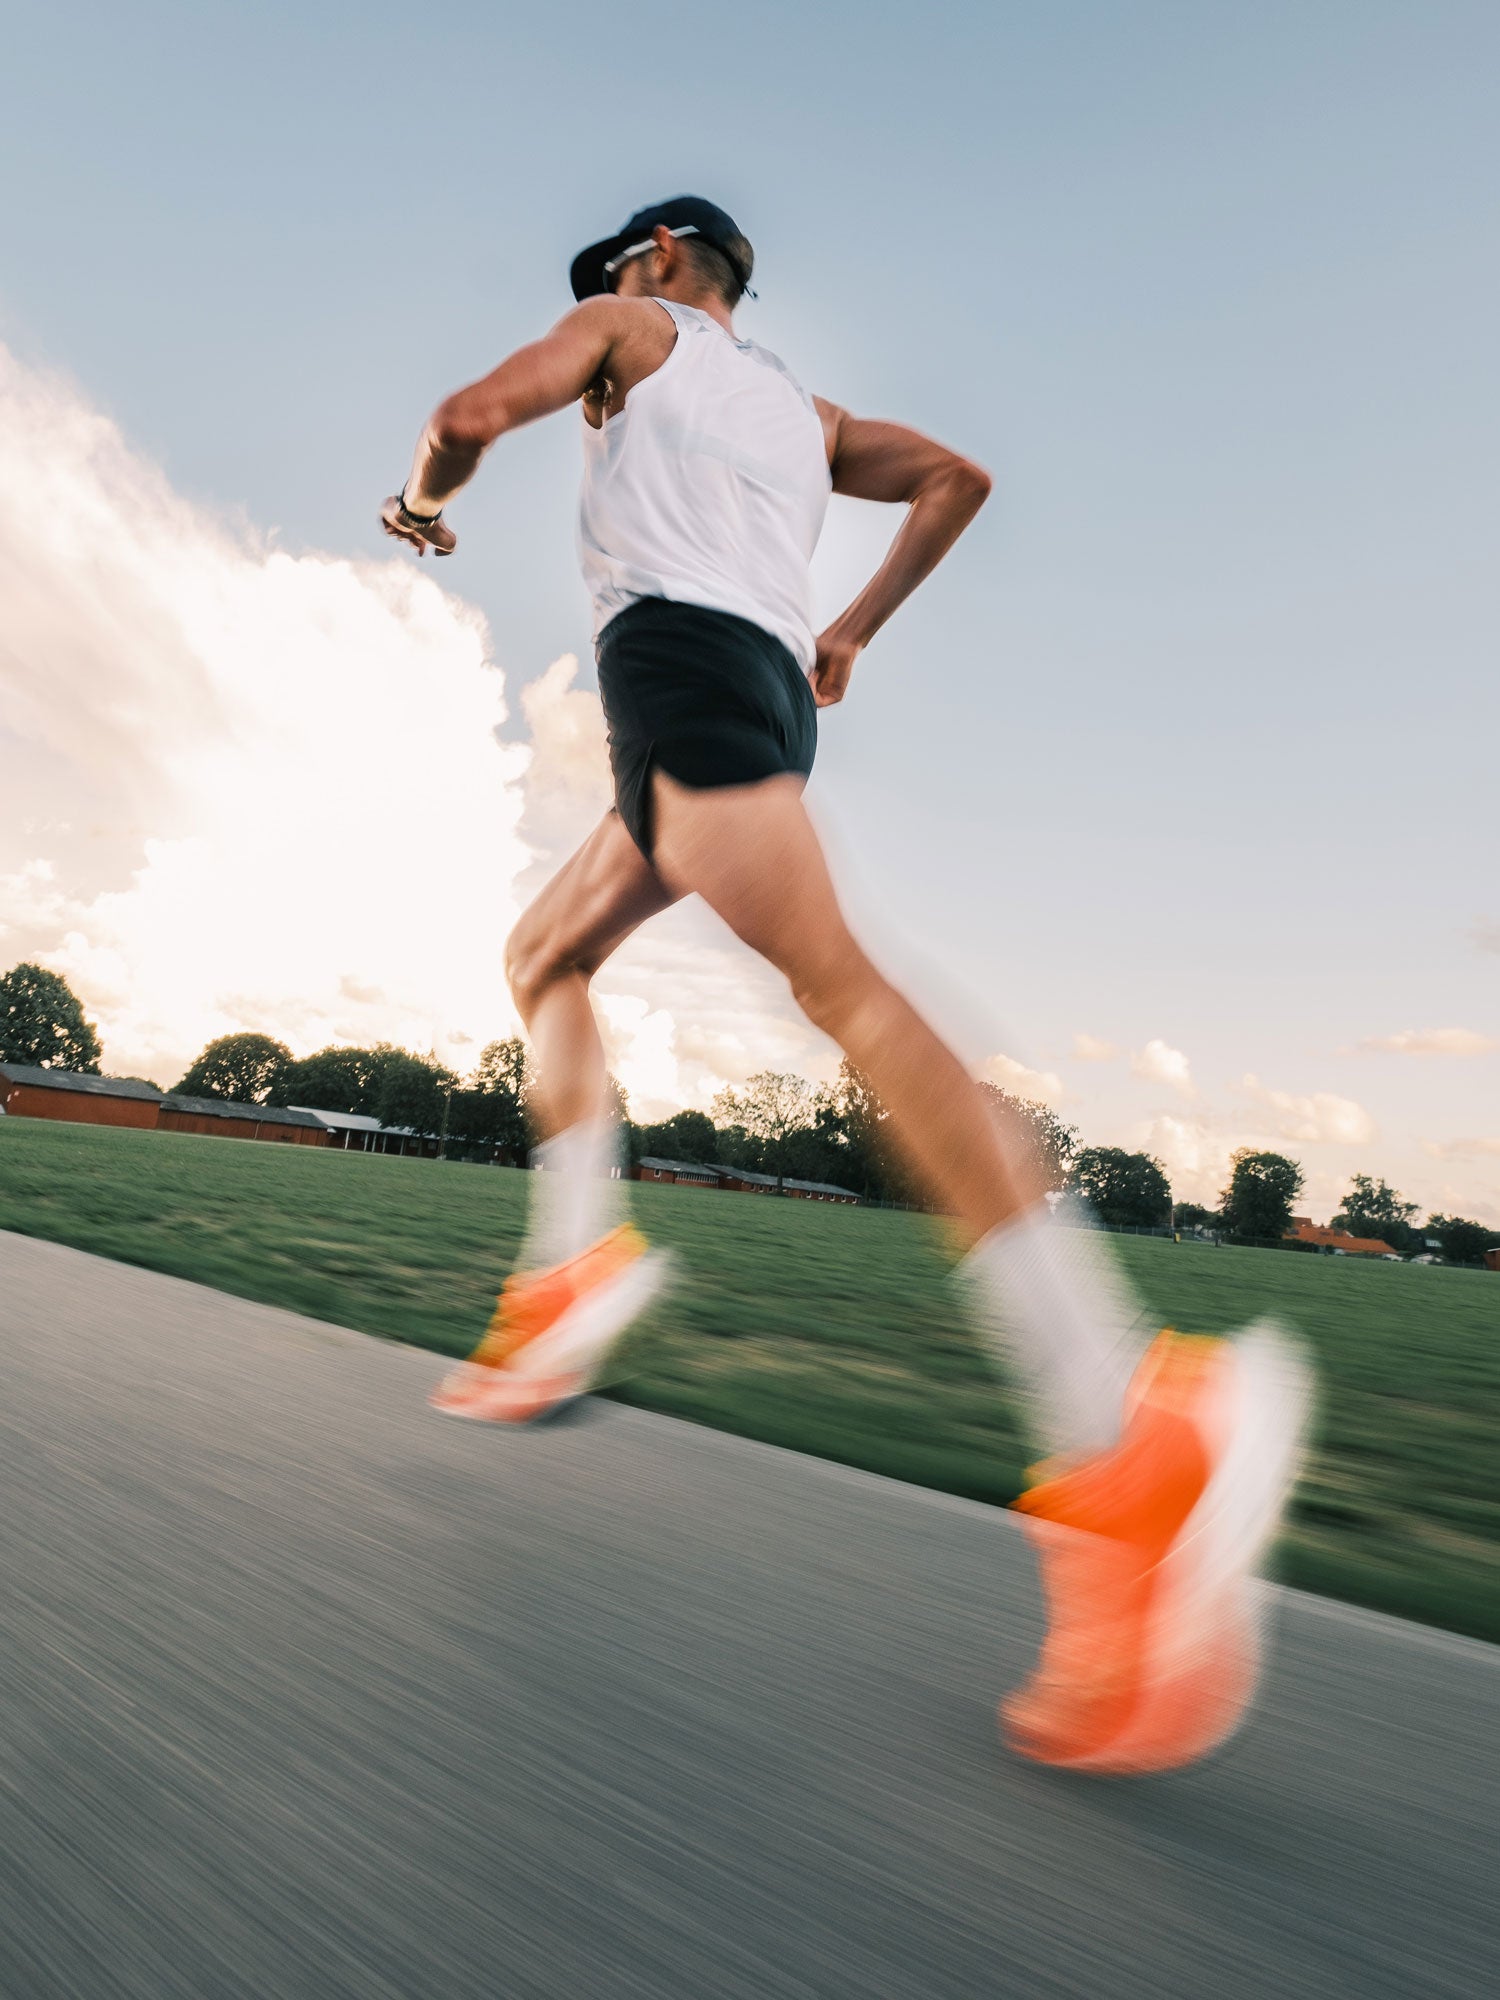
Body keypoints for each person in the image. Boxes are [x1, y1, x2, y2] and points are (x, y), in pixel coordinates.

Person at [380, 195, 1309, 1774]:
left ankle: (1127, 1424)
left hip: (679, 671)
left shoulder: (628, 328)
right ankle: (572, 1266)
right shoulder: (807, 418)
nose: (597, 326)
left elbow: (466, 419)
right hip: (756, 687)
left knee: (847, 995)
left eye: (611, 280)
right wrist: (852, 629)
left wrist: (419, 508)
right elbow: (959, 478)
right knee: (547, 954)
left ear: (657, 262)